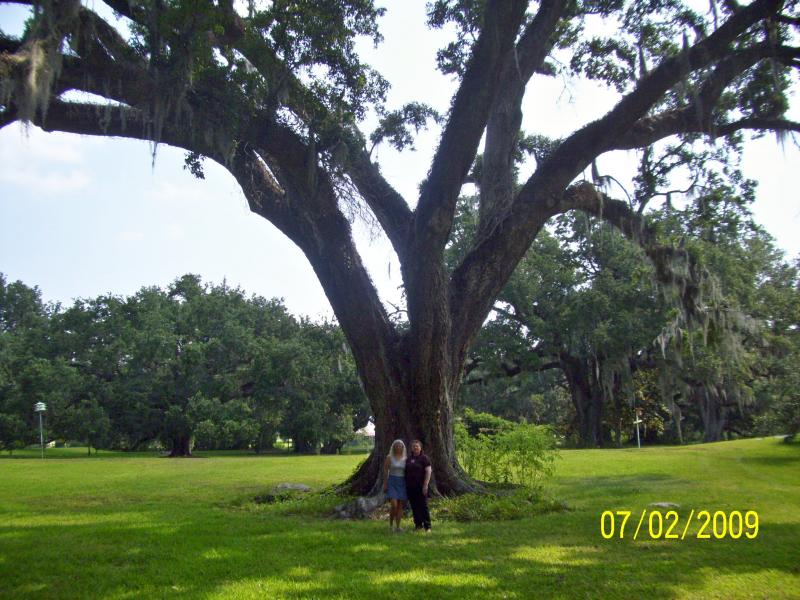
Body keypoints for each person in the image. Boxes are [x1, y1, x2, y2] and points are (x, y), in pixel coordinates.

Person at [405, 439, 432, 533]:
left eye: (417, 446)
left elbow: (428, 471)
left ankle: (427, 526)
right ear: (411, 448)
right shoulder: (408, 459)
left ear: (420, 448)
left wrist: (425, 485)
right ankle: (418, 525)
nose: (415, 447)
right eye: (413, 446)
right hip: (410, 487)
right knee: (414, 506)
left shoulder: (424, 458)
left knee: (423, 506)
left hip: (421, 486)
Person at [383, 439, 407, 532]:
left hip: (402, 482)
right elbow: (385, 470)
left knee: (400, 506)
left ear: (402, 447)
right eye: (396, 446)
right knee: (394, 505)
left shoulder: (405, 458)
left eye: (400, 446)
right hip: (392, 481)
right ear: (393, 447)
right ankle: (391, 525)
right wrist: (385, 483)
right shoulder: (389, 457)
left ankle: (398, 526)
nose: (398, 447)